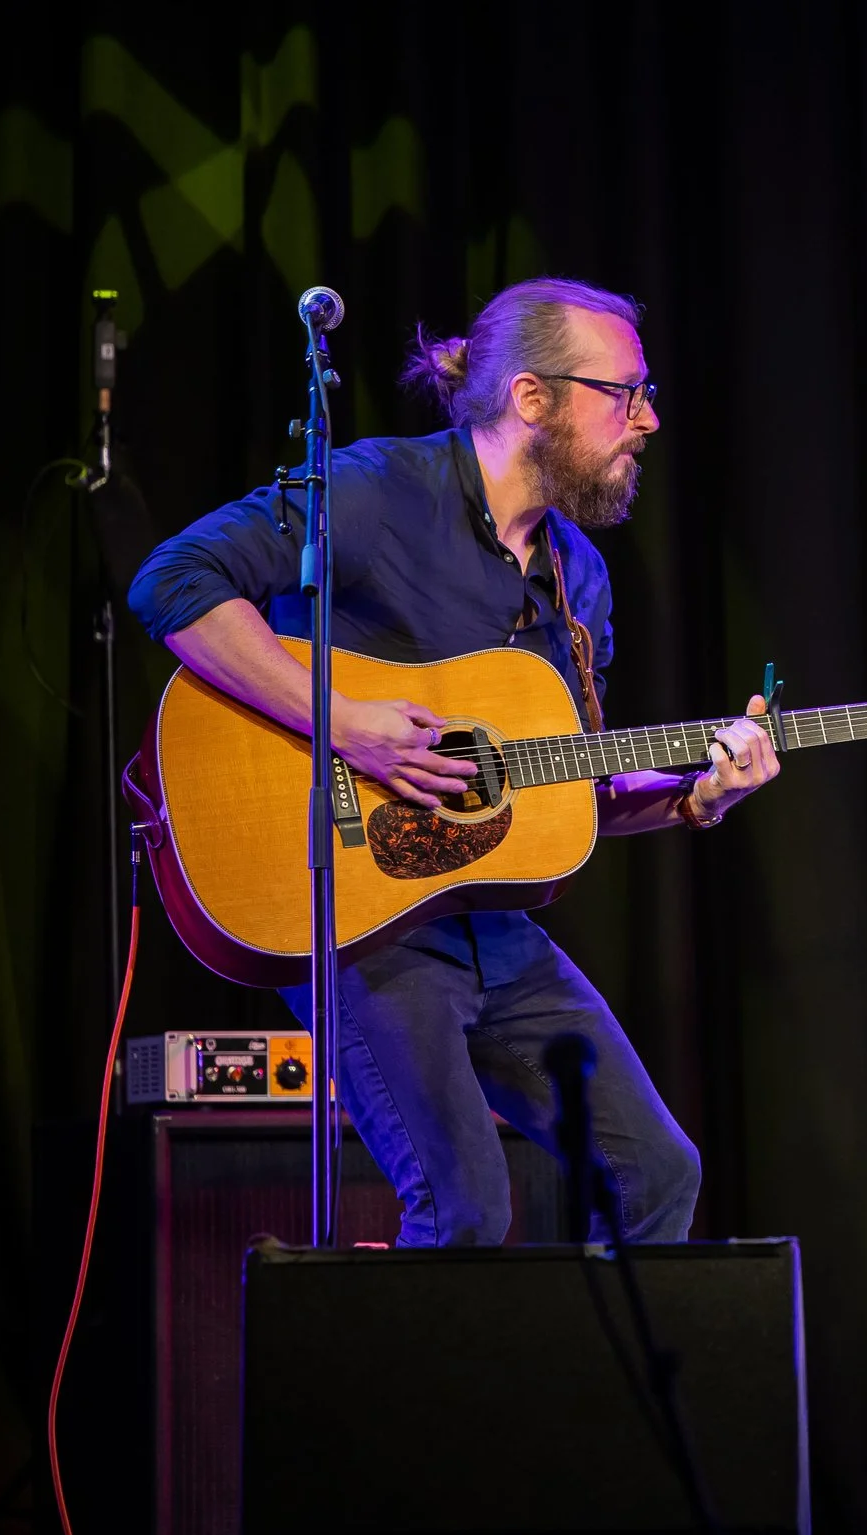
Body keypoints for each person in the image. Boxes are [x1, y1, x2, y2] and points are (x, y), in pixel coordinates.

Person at [127, 277, 775, 1245]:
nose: (647, 418)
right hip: (359, 921)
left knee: (658, 1174)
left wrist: (694, 797)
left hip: (497, 933)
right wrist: (345, 720)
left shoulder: (579, 579)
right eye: (624, 393)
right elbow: (170, 583)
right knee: (468, 1203)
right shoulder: (379, 493)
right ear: (531, 399)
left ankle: (586, 1399)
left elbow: (576, 788)